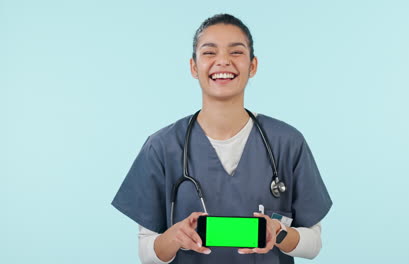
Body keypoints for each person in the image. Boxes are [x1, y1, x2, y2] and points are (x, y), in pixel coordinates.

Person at [112, 14, 332, 264]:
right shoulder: (162, 147)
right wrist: (174, 237)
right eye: (209, 52)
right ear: (194, 67)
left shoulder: (287, 143)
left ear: (253, 66)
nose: (223, 61)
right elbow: (146, 252)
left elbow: (313, 244)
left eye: (236, 52)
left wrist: (278, 233)